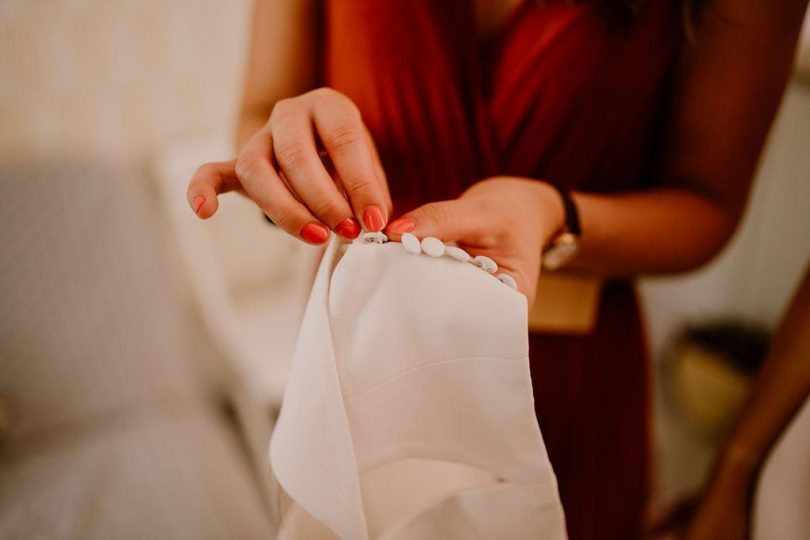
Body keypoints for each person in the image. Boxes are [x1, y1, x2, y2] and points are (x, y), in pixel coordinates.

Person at [186, 1, 808, 538]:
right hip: (356, 365)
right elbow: (260, 108)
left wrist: (552, 213)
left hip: (560, 387)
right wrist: (286, 159)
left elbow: (708, 206)